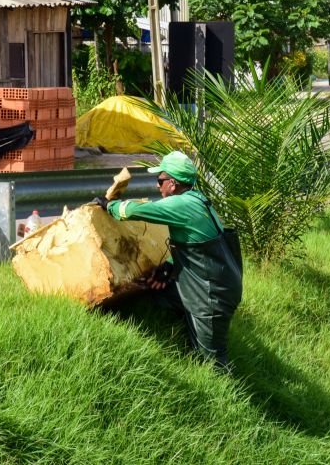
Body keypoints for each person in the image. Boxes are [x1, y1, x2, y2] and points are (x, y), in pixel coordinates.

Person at [93, 151, 243, 367]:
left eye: (160, 180)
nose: (157, 186)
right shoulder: (197, 199)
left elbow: (139, 210)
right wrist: (170, 266)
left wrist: (109, 205)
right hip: (217, 283)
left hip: (212, 295)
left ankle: (221, 392)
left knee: (212, 360)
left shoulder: (181, 205)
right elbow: (200, 248)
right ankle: (181, 329)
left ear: (172, 184)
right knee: (158, 292)